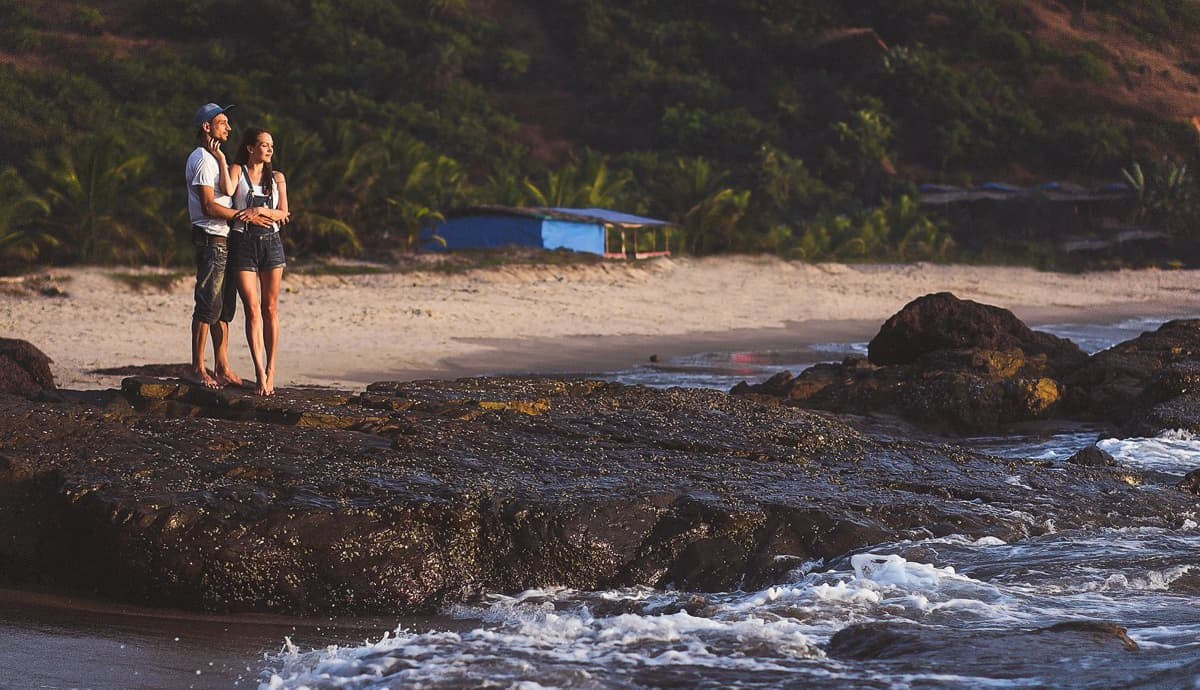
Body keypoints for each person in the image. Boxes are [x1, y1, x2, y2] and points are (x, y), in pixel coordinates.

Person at [185, 103, 272, 389]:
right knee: (207, 305)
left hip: (226, 239)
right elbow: (209, 205)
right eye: (223, 122)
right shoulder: (200, 158)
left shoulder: (214, 158)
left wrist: (221, 159)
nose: (229, 127)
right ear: (206, 127)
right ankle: (198, 368)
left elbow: (231, 191)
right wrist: (244, 216)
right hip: (211, 239)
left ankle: (222, 366)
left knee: (224, 310)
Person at [227, 127, 290, 396]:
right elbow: (225, 200)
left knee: (270, 308)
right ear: (250, 148)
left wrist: (260, 210)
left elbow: (284, 213)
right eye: (263, 144)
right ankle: (258, 371)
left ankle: (271, 369)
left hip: (271, 246)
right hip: (242, 244)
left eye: (271, 146)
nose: (269, 149)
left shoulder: (277, 178)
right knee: (251, 309)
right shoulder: (236, 171)